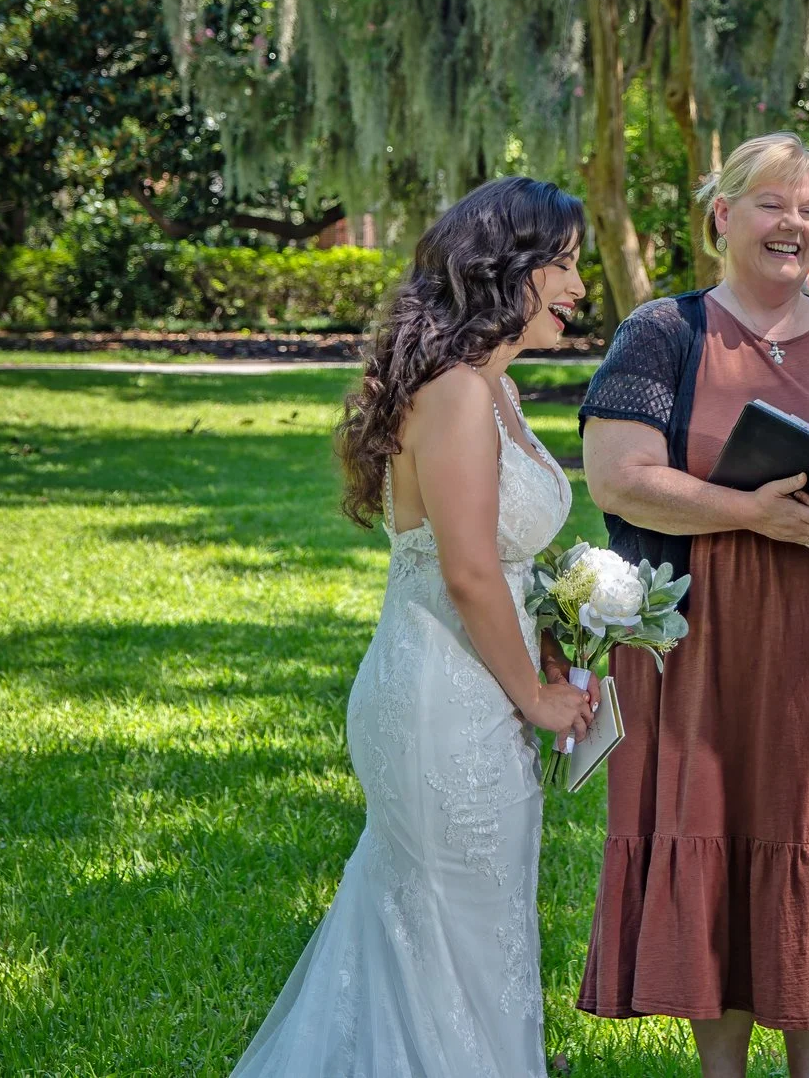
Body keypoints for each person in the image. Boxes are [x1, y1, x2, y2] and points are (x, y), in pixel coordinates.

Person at [578, 133, 809, 1078]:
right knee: (725, 829)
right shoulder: (663, 332)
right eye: (775, 204)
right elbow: (619, 481)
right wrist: (751, 513)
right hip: (708, 644)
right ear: (722, 217)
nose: (795, 225)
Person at [228, 177, 598, 1078]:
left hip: (478, 686)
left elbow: (498, 566)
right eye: (563, 263)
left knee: (467, 941)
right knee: (449, 943)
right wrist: (540, 698)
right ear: (505, 268)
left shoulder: (497, 391)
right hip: (447, 699)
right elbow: (469, 570)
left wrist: (559, 619)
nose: (579, 286)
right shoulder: (461, 393)